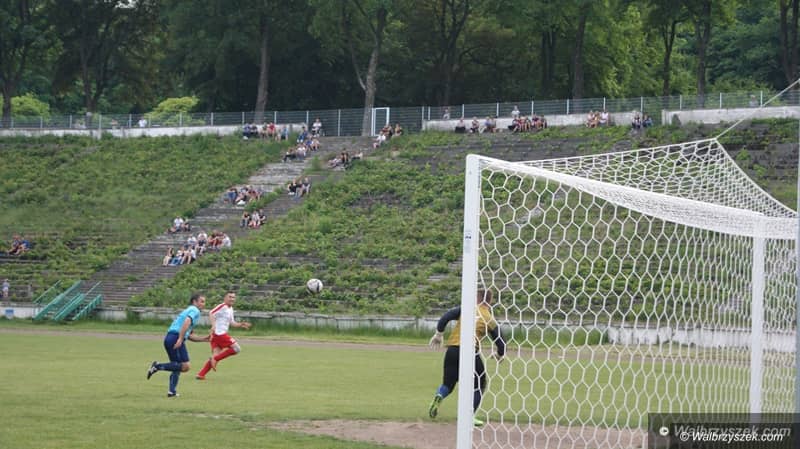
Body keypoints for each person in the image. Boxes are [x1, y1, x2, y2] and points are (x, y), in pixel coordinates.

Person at [427, 288, 505, 427]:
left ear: (477, 298)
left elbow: (446, 316)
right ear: (490, 301)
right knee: (479, 385)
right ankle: (469, 417)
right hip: (470, 352)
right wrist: (499, 354)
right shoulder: (489, 318)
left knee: (448, 384)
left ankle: (439, 396)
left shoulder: (467, 309)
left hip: (452, 350)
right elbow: (501, 341)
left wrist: (439, 334)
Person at [146, 293, 210, 397]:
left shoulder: (188, 310)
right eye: (201, 301)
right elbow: (187, 322)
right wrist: (180, 339)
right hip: (175, 338)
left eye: (204, 302)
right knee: (185, 366)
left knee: (177, 366)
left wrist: (204, 339)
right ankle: (157, 366)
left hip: (171, 337)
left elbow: (189, 335)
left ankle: (172, 391)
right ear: (194, 302)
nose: (204, 304)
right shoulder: (195, 310)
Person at [195, 292, 251, 380]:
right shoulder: (222, 306)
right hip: (219, 334)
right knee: (237, 348)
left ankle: (201, 374)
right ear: (225, 298)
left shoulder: (230, 309)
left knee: (215, 355)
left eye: (233, 297)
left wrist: (241, 324)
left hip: (217, 335)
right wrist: (213, 325)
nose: (232, 299)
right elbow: (211, 313)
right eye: (230, 297)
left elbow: (232, 323)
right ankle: (215, 359)